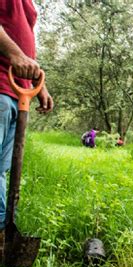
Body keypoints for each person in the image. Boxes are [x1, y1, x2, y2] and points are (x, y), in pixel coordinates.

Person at [0, 0, 54, 231]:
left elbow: (24, 41)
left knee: (1, 170)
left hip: (17, 93)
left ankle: (2, 232)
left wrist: (37, 83)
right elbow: (18, 51)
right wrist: (15, 54)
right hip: (0, 86)